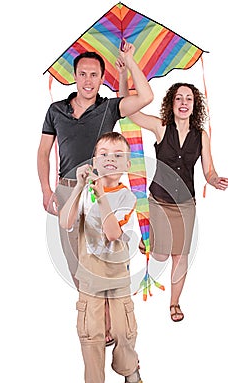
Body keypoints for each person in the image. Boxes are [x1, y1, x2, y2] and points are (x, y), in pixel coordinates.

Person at [37, 42, 153, 345]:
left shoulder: (109, 108)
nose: (88, 80)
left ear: (102, 78)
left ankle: (109, 323)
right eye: (83, 74)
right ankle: (95, 317)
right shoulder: (55, 110)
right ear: (75, 76)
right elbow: (43, 153)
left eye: (94, 75)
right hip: (66, 193)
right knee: (75, 262)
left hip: (101, 193)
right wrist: (47, 190)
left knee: (106, 260)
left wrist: (129, 60)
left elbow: (146, 96)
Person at [118, 75, 228, 322]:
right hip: (159, 201)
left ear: (194, 105)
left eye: (188, 98)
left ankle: (174, 303)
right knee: (159, 255)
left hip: (186, 205)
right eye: (178, 97)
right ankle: (150, 242)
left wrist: (214, 180)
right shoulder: (161, 127)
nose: (183, 102)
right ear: (171, 103)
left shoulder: (201, 135)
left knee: (180, 255)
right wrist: (124, 76)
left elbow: (209, 170)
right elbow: (130, 113)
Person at [59, 132, 143, 383]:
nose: (110, 159)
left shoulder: (127, 196)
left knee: (123, 330)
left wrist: (99, 193)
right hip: (90, 276)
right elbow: (66, 222)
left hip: (117, 275)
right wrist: (79, 188)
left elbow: (112, 233)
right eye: (104, 154)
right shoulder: (85, 191)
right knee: (90, 333)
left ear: (127, 165)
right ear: (95, 159)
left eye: (118, 155)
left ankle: (129, 369)